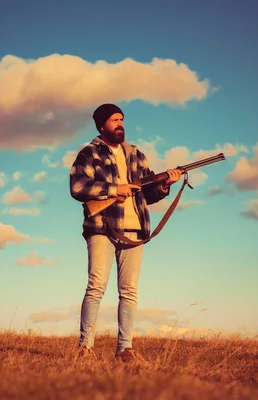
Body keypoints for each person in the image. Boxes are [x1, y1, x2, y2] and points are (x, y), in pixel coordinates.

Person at [69, 103, 182, 364]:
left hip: (134, 230)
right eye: (113, 120)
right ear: (101, 126)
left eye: (121, 119)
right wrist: (113, 189)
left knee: (129, 290)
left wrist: (165, 183)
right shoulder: (89, 153)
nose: (120, 123)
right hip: (101, 228)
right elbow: (78, 186)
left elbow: (149, 194)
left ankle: (125, 350)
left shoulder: (135, 154)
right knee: (96, 286)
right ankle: (85, 348)